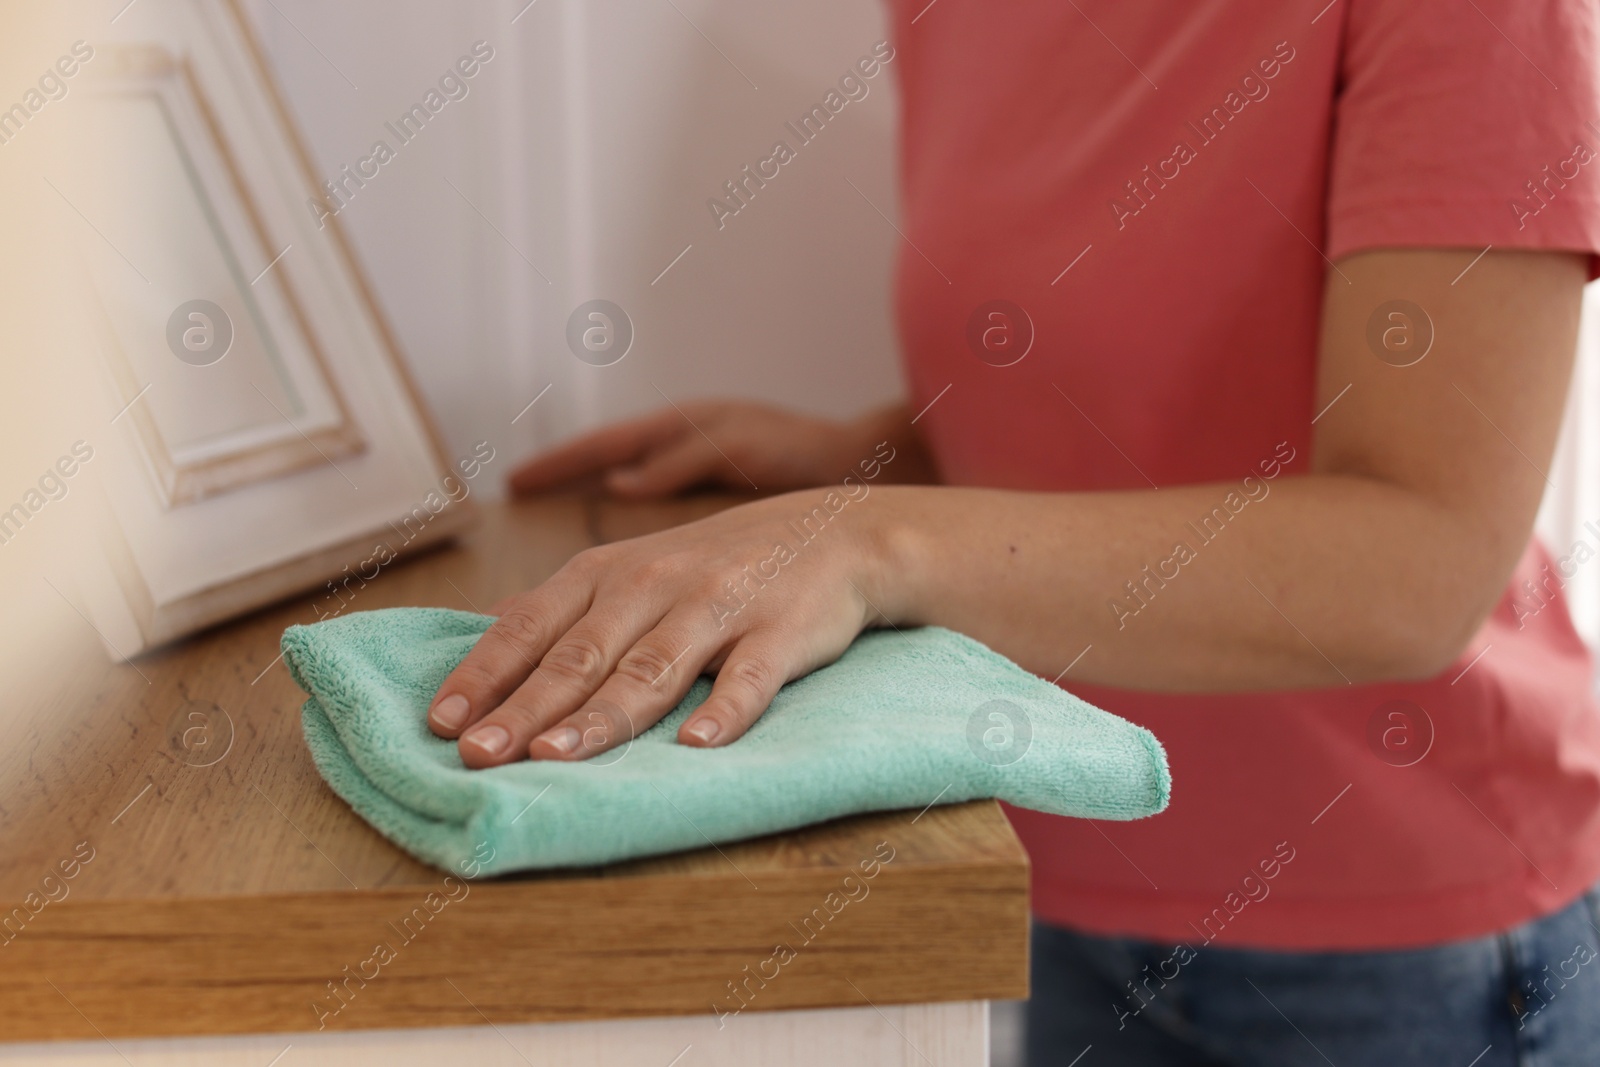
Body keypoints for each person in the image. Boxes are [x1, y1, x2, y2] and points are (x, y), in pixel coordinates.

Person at [427, 1, 1600, 1062]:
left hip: (1397, 946)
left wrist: (873, 540)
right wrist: (873, 453)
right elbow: (1121, 392)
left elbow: (1414, 570)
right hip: (1047, 861)